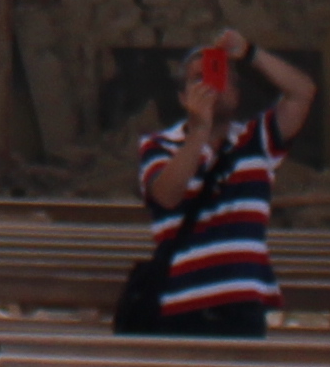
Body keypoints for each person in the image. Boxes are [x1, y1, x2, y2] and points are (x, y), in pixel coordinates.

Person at [125, 27, 315, 336]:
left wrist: (249, 52)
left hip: (242, 304)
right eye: (197, 79)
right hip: (179, 305)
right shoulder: (158, 146)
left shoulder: (256, 140)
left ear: (236, 93)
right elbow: (166, 196)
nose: (209, 86)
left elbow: (302, 93)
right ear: (184, 97)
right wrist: (199, 131)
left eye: (217, 75)